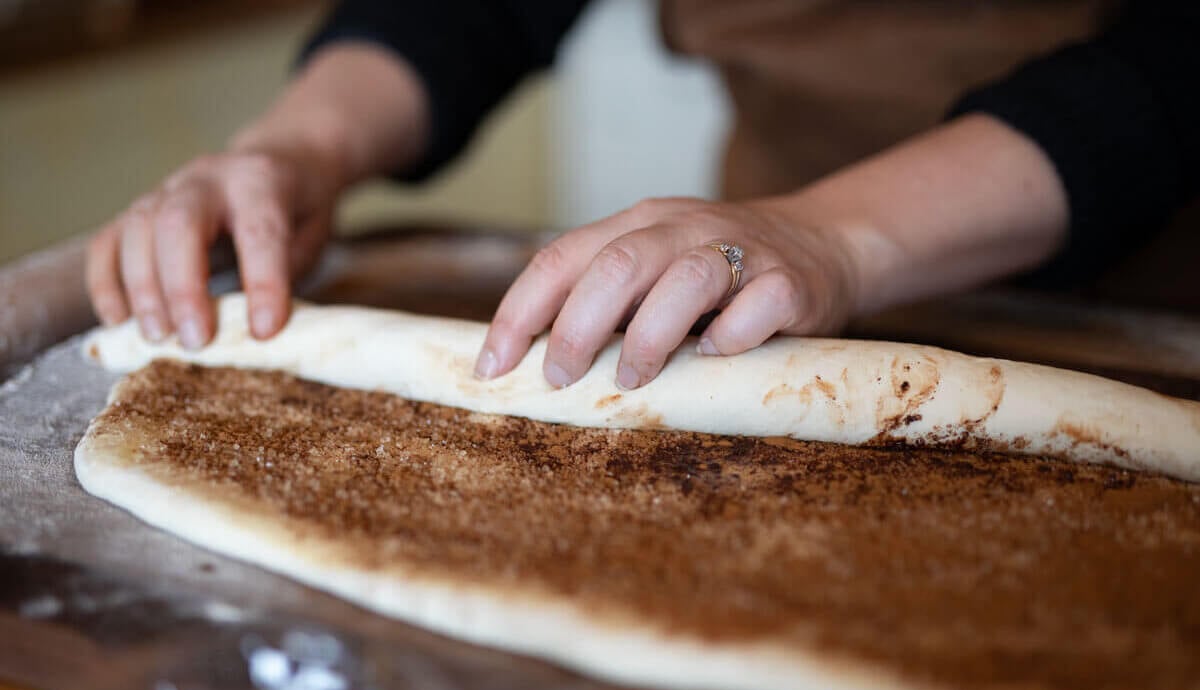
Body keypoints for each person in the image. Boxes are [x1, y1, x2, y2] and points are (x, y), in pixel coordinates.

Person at [85, 1, 1199, 391]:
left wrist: (838, 238)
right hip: (759, 303)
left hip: (1147, 296)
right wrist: (298, 148)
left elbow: (1173, 67)